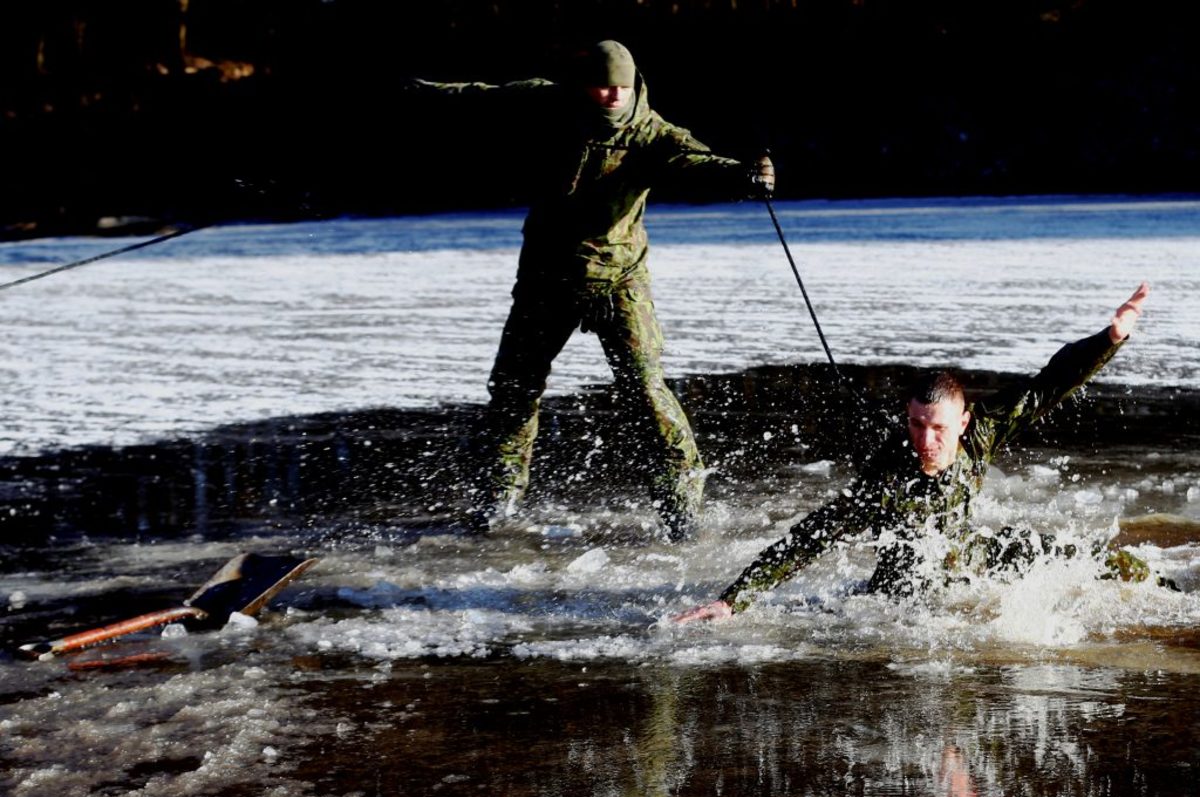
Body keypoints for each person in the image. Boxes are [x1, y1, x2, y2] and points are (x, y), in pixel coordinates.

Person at [405, 40, 774, 540]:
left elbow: (693, 161)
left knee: (645, 389)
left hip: (621, 279)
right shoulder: (549, 102)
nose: (611, 96)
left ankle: (680, 504)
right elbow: (481, 95)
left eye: (620, 86)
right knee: (514, 389)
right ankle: (495, 500)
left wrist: (744, 176)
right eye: (602, 85)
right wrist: (417, 90)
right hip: (546, 277)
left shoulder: (650, 132)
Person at [673, 283, 1152, 623]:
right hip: (905, 590)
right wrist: (732, 601)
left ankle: (1165, 591)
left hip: (966, 555)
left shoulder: (982, 431)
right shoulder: (887, 479)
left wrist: (1109, 338)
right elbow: (810, 537)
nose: (926, 441)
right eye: (916, 425)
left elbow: (1048, 384)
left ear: (963, 423)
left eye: (938, 429)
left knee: (1085, 558)